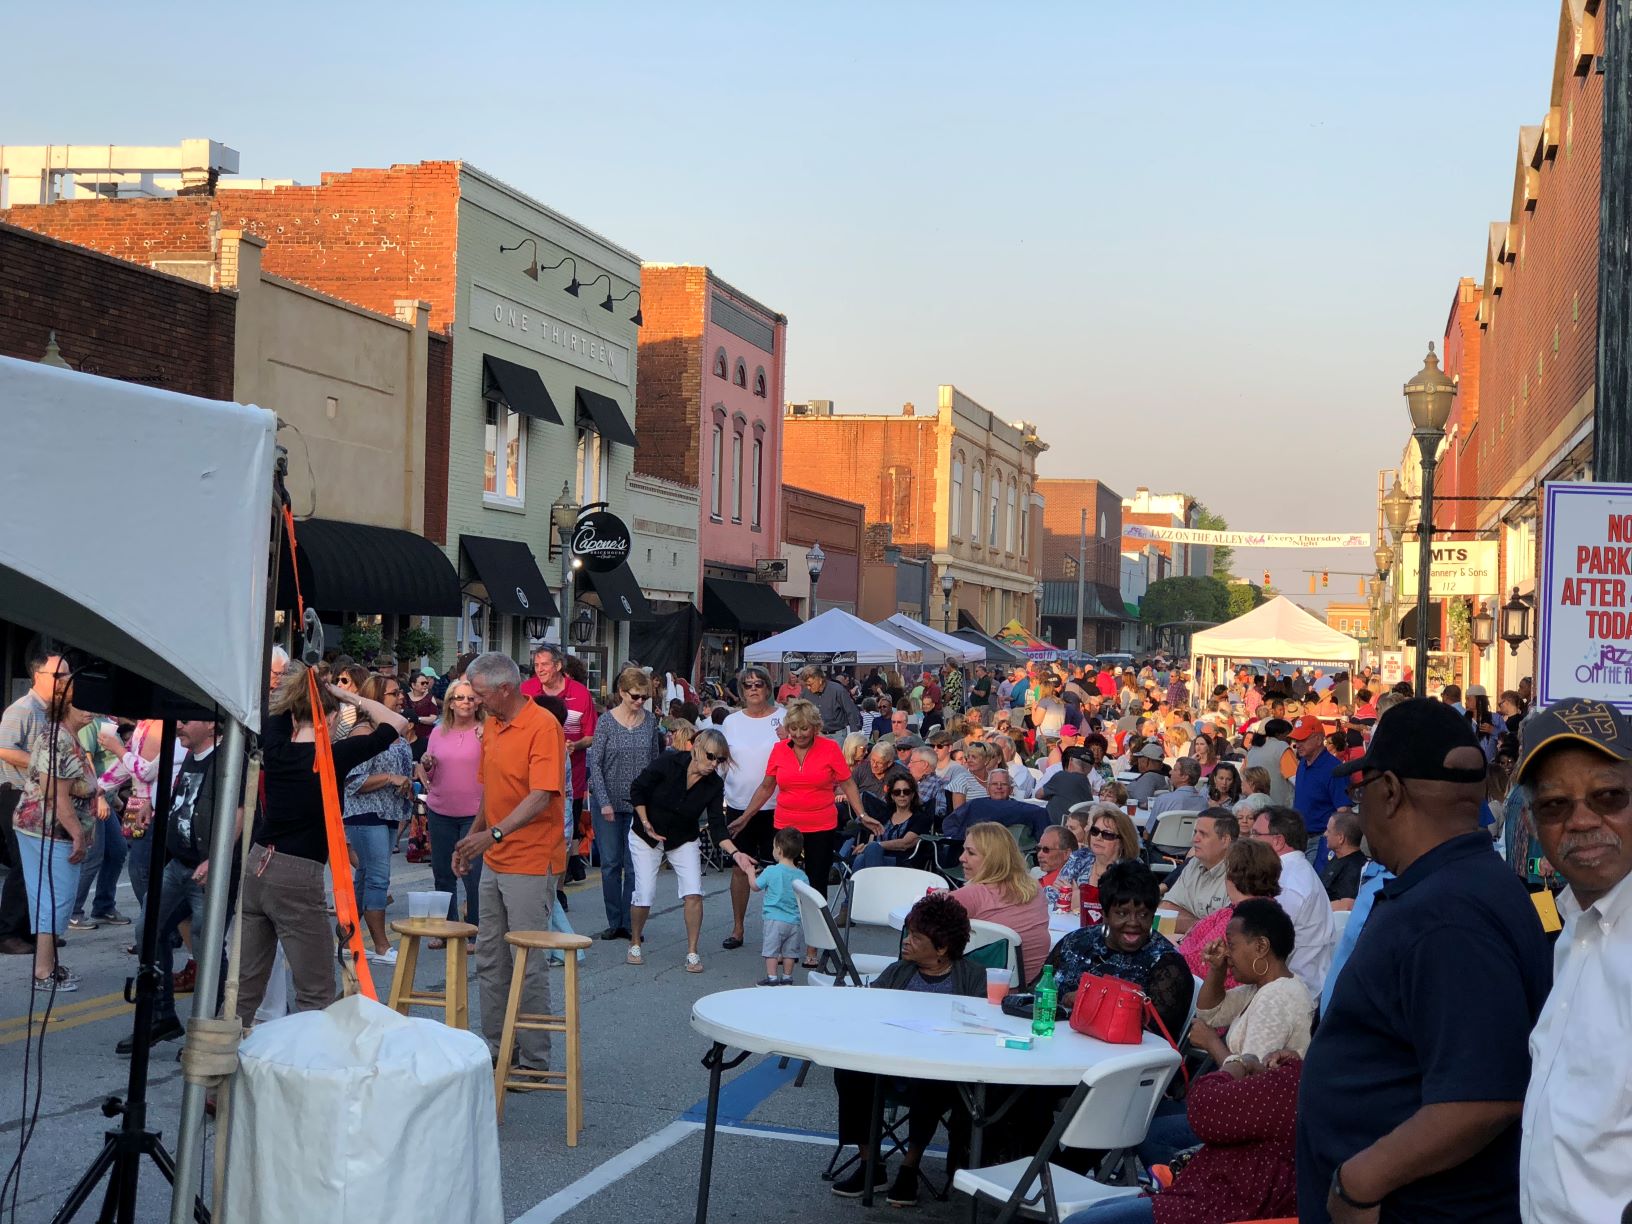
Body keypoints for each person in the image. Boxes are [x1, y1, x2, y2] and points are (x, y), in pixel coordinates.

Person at [1299, 698, 1551, 1222]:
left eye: (1360, 790)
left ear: (1390, 791)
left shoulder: (1448, 912)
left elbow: (1485, 1094)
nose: (1359, 808)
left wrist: (1358, 1182)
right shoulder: (1456, 886)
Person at [1513, 699, 1632, 1222]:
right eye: (1555, 805)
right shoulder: (1575, 929)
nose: (1582, 821)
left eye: (1608, 797)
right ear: (1534, 823)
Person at [237, 665, 409, 1025]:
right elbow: (396, 722)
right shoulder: (333, 756)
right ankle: (315, 1058)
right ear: (330, 718)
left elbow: (279, 709)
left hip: (258, 865)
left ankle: (219, 1056)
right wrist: (346, 695)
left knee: (244, 986)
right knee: (316, 990)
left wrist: (308, 687)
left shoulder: (277, 746)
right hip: (297, 872)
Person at [829, 892, 983, 1206]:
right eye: (908, 933)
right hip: (889, 1064)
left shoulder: (971, 977)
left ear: (942, 948)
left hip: (942, 1069)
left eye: (916, 937)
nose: (906, 942)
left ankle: (910, 1167)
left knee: (929, 1078)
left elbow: (978, 1029)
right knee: (849, 1070)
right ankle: (870, 1163)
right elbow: (870, 1012)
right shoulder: (898, 972)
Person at [452, 653, 566, 1073]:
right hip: (496, 856)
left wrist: (493, 834)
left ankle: (534, 1059)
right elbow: (491, 790)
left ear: (505, 689)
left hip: (531, 859)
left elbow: (541, 795)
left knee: (527, 959)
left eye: (481, 694)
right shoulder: (494, 725)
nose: (476, 701)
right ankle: (500, 1049)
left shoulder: (542, 726)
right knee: (490, 956)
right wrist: (472, 839)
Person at [120, 714, 247, 1053]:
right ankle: (161, 1016)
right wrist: (153, 807)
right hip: (179, 865)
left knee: (207, 947)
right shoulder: (193, 755)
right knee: (149, 929)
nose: (178, 726)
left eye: (187, 720)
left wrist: (216, 858)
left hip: (210, 870)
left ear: (212, 724)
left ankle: (209, 1031)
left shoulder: (229, 758)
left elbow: (240, 811)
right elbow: (185, 799)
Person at [737, 699, 867, 967]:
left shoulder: (829, 748)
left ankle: (812, 947)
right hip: (786, 825)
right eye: (793, 729)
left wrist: (862, 815)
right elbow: (766, 787)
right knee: (783, 885)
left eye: (804, 728)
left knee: (816, 885)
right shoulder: (779, 750)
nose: (798, 734)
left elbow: (848, 784)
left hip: (820, 824)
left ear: (815, 727)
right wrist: (746, 815)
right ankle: (783, 944)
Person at [1038, 860, 1193, 1040]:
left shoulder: (1167, 965)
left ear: (1153, 916)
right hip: (1056, 1042)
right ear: (1105, 913)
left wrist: (1088, 1002)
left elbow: (1156, 1037)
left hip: (1122, 1056)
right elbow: (1036, 992)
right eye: (1122, 913)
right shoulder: (1075, 942)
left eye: (1143, 914)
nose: (1133, 922)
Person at [625, 729, 731, 973]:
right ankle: (635, 942)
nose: (714, 764)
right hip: (646, 834)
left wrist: (737, 854)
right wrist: (645, 821)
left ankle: (692, 952)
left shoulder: (714, 784)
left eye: (720, 759)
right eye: (711, 756)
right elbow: (638, 788)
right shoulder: (668, 762)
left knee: (694, 892)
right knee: (645, 893)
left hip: (683, 837)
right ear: (696, 748)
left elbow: (717, 826)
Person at [13, 688, 94, 990]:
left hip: (46, 828)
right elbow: (56, 795)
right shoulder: (59, 738)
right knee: (55, 900)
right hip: (49, 829)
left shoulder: (66, 736)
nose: (90, 710)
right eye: (83, 705)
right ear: (65, 706)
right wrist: (78, 835)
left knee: (51, 899)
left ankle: (47, 966)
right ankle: (43, 971)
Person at [585, 667, 665, 943]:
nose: (640, 701)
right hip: (608, 801)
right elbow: (595, 764)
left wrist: (653, 801)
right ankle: (614, 921)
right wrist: (604, 801)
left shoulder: (650, 722)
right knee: (610, 863)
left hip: (638, 805)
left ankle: (631, 923)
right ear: (621, 693)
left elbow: (654, 762)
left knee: (633, 866)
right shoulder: (606, 722)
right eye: (635, 696)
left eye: (645, 697)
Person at [343, 674, 414, 964]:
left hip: (390, 811)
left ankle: (345, 936)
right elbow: (352, 780)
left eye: (400, 692)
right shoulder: (363, 732)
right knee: (377, 877)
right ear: (375, 698)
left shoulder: (395, 730)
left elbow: (400, 768)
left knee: (365, 875)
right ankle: (381, 946)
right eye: (394, 693)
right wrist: (389, 778)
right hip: (365, 811)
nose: (401, 697)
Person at [1190, 898, 1314, 1062]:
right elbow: (1210, 1014)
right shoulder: (1261, 987)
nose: (1227, 953)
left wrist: (1211, 1043)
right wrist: (1217, 969)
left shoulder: (1276, 998)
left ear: (1261, 946)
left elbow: (1252, 1075)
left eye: (1231, 946)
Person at [521, 644, 596, 880]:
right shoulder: (527, 690)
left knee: (566, 827)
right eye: (536, 665)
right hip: (532, 773)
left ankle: (560, 881)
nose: (539, 669)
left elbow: (591, 736)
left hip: (571, 775)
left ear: (558, 665)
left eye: (544, 664)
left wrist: (576, 745)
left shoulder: (580, 693)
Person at [417, 678, 484, 939]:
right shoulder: (437, 732)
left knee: (472, 875)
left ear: (477, 703)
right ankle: (446, 930)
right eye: (460, 698)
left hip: (474, 813)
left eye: (470, 698)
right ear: (450, 703)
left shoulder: (485, 731)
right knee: (443, 873)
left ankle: (474, 931)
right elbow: (431, 774)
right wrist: (428, 764)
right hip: (440, 810)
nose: (465, 702)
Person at [1245, 806, 1335, 997]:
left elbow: (1265, 947)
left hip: (1293, 992)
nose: (1249, 840)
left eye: (1255, 834)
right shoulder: (1292, 872)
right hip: (1288, 983)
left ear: (1278, 841)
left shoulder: (1287, 883)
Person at [949, 822, 1052, 983]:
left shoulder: (974, 894)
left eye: (971, 853)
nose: (962, 858)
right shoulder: (1035, 889)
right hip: (1030, 987)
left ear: (992, 859)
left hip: (981, 988)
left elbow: (919, 920)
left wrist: (940, 896)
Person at [1179, 838, 1282, 986]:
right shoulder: (1268, 910)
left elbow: (1200, 961)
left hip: (1212, 990)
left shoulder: (1242, 919)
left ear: (1234, 876)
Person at [1289, 714, 1353, 868]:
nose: (1297, 744)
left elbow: (1344, 810)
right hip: (1300, 838)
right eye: (1296, 740)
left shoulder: (1334, 769)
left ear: (1318, 740)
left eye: (1302, 739)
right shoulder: (1303, 764)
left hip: (1321, 841)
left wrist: (1331, 841)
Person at [1162, 808, 1237, 932]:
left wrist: (1185, 920)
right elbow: (1165, 910)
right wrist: (1206, 924)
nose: (1195, 839)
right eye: (1195, 832)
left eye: (1203, 834)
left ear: (1225, 841)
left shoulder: (1240, 874)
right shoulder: (1194, 863)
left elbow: (1226, 931)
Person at [843, 771, 932, 871]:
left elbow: (905, 843)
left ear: (912, 795)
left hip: (903, 863)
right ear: (892, 796)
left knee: (868, 853)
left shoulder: (920, 818)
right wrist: (865, 847)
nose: (902, 795)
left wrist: (875, 846)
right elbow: (872, 838)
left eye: (906, 792)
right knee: (861, 857)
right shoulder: (884, 816)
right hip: (877, 858)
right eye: (897, 792)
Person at [752, 827, 808, 986]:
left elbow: (755, 886)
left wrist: (750, 873)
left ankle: (772, 977)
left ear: (779, 850)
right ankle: (787, 977)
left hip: (774, 919)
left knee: (771, 951)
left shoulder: (771, 871)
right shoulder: (802, 875)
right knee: (790, 952)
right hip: (794, 921)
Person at [947, 768, 1048, 842]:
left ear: (1011, 790)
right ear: (987, 789)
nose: (999, 787)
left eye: (1003, 784)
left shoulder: (1024, 809)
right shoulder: (975, 805)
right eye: (994, 784)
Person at [1036, 824, 1092, 911]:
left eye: (1046, 850)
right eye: (1038, 849)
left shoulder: (1061, 886)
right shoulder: (1040, 880)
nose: (1040, 854)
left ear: (1066, 854)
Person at [1036, 745, 1097, 824]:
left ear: (1070, 760)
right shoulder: (1087, 784)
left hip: (1051, 825)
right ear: (1091, 768)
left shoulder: (1061, 776)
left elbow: (1038, 795)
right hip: (1072, 825)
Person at [800, 665, 861, 738]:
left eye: (810, 684)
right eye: (806, 684)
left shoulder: (838, 690)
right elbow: (798, 711)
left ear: (819, 680)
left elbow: (851, 712)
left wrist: (854, 735)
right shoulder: (805, 693)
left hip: (837, 735)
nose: (808, 687)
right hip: (816, 735)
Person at [1147, 756, 1208, 828]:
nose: (1170, 772)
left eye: (1175, 770)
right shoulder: (1204, 803)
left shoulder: (1163, 800)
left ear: (1184, 777)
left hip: (1165, 835)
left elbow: (1148, 831)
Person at [1320, 809, 1365, 903]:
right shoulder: (1337, 858)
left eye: (1329, 831)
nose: (1325, 834)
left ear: (1341, 838)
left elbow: (1346, 905)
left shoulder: (1353, 869)